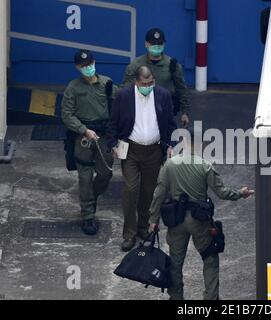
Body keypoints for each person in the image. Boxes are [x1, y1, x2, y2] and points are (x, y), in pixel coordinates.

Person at [147, 127, 255, 300]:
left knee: (175, 263)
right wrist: (241, 193)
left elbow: (158, 194)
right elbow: (222, 192)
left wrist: (153, 220)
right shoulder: (205, 166)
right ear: (200, 144)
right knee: (210, 259)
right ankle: (210, 298)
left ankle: (176, 298)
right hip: (199, 221)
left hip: (176, 220)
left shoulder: (170, 165)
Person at [107, 65, 177, 252]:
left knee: (149, 191)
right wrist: (113, 144)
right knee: (130, 189)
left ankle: (143, 227)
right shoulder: (124, 96)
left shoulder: (163, 95)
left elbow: (170, 123)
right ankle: (129, 235)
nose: (148, 86)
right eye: (144, 83)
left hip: (154, 151)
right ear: (136, 82)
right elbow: (113, 122)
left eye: (150, 82)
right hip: (130, 149)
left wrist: (170, 144)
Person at [61, 49, 116, 235]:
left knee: (105, 173)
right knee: (84, 177)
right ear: (78, 67)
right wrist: (83, 130)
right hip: (83, 137)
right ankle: (88, 216)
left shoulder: (107, 84)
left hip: (103, 137)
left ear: (95, 62)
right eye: (84, 66)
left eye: (90, 64)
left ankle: (91, 197)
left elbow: (121, 104)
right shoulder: (73, 88)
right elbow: (66, 115)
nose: (88, 68)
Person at [121, 28, 191, 128]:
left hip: (164, 111)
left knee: (167, 139)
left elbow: (181, 89)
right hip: (140, 110)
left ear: (164, 45)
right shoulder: (136, 65)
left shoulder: (172, 65)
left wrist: (185, 112)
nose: (156, 47)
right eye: (153, 44)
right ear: (146, 44)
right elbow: (125, 89)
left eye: (160, 44)